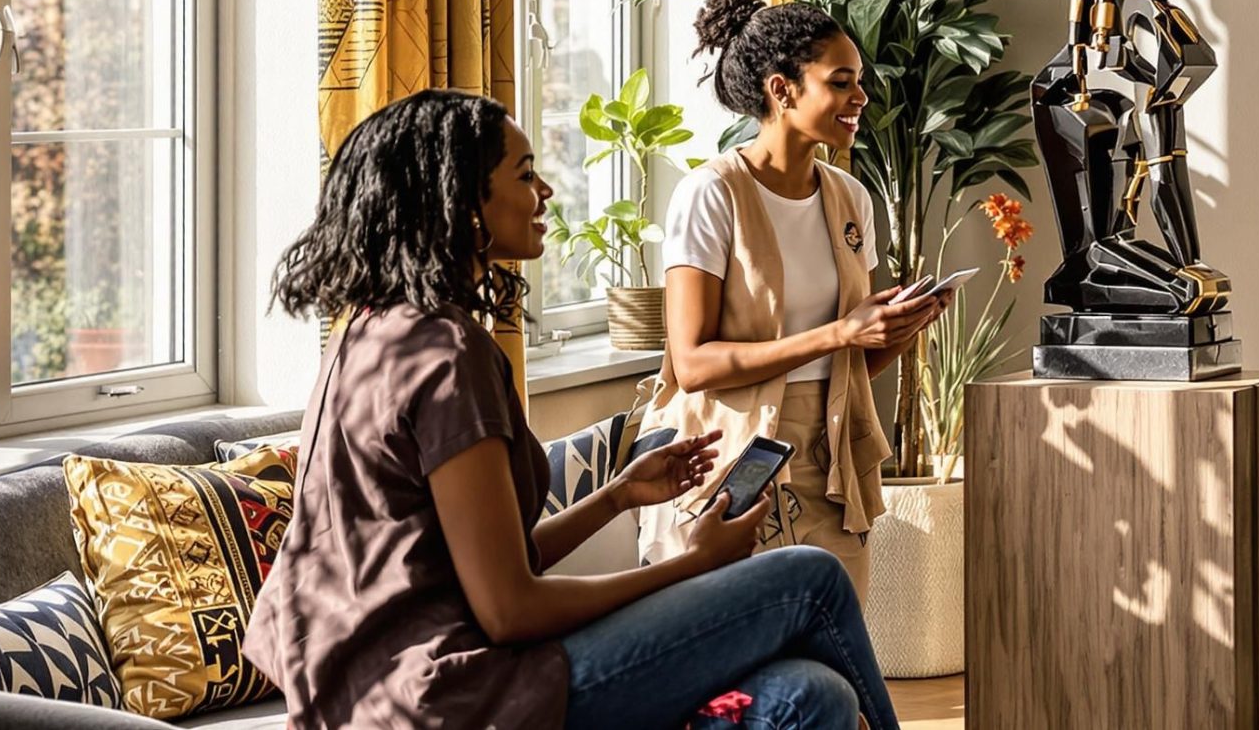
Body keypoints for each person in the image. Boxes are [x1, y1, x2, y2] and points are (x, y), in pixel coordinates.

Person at [246, 89, 899, 730]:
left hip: (380, 691)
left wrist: (617, 496)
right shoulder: (448, 357)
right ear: (462, 201)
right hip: (452, 696)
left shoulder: (367, 333)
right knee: (809, 575)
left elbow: (487, 565)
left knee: (809, 694)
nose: (546, 191)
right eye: (524, 174)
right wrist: (693, 563)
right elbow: (510, 609)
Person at [636, 0, 948, 590]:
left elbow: (851, 363)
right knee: (740, 647)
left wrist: (901, 328)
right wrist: (839, 333)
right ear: (782, 90)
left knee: (836, 643)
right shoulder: (711, 194)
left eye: (860, 81)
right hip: (729, 464)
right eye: (841, 82)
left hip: (833, 466)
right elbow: (693, 365)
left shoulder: (850, 198)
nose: (861, 98)